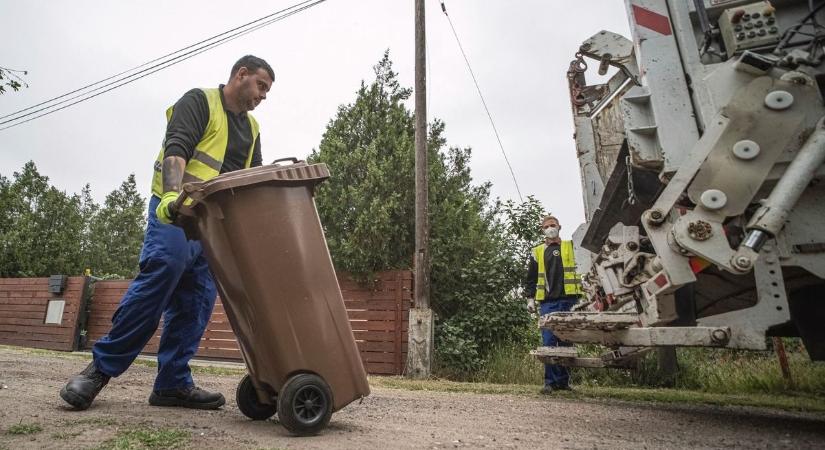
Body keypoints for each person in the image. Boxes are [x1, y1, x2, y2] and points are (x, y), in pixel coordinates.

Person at [60, 55, 274, 411]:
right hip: (175, 211)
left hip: (212, 227)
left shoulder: (251, 130)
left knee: (198, 299)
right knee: (163, 272)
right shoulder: (200, 101)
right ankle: (97, 371)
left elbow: (248, 181)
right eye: (261, 86)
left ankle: (172, 384)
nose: (263, 96)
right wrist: (172, 196)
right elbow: (177, 148)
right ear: (241, 75)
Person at [523, 215, 583, 394]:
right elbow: (531, 278)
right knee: (549, 341)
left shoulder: (570, 247)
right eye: (547, 226)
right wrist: (530, 298)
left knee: (566, 341)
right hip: (548, 302)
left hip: (570, 300)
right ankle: (549, 382)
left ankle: (563, 383)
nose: (550, 228)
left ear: (559, 227)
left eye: (553, 225)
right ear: (543, 230)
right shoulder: (538, 251)